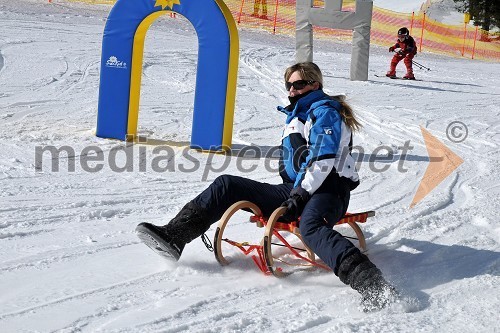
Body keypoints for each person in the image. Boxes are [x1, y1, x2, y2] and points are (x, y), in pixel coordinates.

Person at [136, 62, 398, 311]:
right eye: (289, 86)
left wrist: (301, 193)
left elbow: (323, 159)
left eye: (299, 84)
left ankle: (373, 285)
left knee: (311, 227)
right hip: (296, 189)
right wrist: (295, 191)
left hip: (329, 189)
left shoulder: (325, 112)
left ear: (315, 85)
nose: (292, 91)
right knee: (228, 185)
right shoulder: (297, 116)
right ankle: (175, 236)